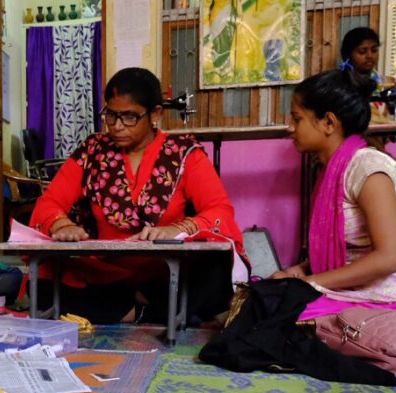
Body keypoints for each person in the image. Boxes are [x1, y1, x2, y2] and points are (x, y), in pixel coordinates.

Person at [29, 67, 244, 325]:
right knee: (40, 285)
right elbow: (49, 202)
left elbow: (219, 210)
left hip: (167, 273)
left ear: (155, 114)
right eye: (111, 115)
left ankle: (136, 309)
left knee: (218, 268)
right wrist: (62, 224)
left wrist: (177, 229)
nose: (117, 126)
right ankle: (154, 313)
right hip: (105, 275)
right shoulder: (92, 152)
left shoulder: (184, 154)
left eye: (129, 117)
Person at [273, 69, 396, 319]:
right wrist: (298, 271)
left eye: (297, 118)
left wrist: (311, 283)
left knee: (279, 315)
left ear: (329, 123)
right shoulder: (331, 171)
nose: (290, 127)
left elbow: (390, 259)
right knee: (267, 300)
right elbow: (350, 251)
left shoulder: (368, 168)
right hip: (355, 293)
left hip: (392, 300)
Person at [201, 0, 238, 84]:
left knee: (227, 42)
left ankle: (227, 71)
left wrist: (240, 14)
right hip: (216, 16)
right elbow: (206, 4)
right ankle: (217, 70)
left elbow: (238, 0)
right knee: (217, 42)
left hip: (230, 14)